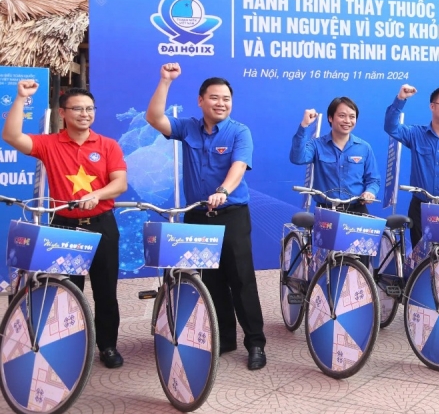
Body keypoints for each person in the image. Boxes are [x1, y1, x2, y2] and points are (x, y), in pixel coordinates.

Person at [146, 63, 267, 370]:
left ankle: (255, 343)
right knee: (210, 280)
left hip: (232, 213)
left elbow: (238, 167)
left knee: (241, 280)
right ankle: (224, 338)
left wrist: (223, 191)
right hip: (198, 216)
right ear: (201, 100)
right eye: (214, 97)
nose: (221, 103)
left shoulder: (240, 131)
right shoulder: (187, 128)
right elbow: (155, 118)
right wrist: (165, 81)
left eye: (226, 98)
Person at [2, 82, 128, 369]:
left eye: (89, 109)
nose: (85, 114)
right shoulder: (49, 144)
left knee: (106, 291)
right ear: (62, 113)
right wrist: (22, 98)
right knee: (67, 292)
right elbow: (11, 135)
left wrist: (97, 194)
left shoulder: (108, 145)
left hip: (102, 226)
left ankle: (107, 346)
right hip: (64, 228)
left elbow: (119, 183)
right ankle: (71, 347)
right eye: (78, 109)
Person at [384, 84, 439, 248]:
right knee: (421, 259)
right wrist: (400, 100)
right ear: (432, 106)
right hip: (420, 207)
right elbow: (391, 127)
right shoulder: (416, 134)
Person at [290, 97, 379, 214]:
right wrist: (304, 126)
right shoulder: (316, 145)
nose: (347, 121)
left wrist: (370, 192)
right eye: (342, 116)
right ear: (330, 118)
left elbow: (373, 179)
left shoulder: (364, 147)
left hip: (357, 211)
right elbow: (298, 158)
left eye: (352, 117)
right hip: (325, 211)